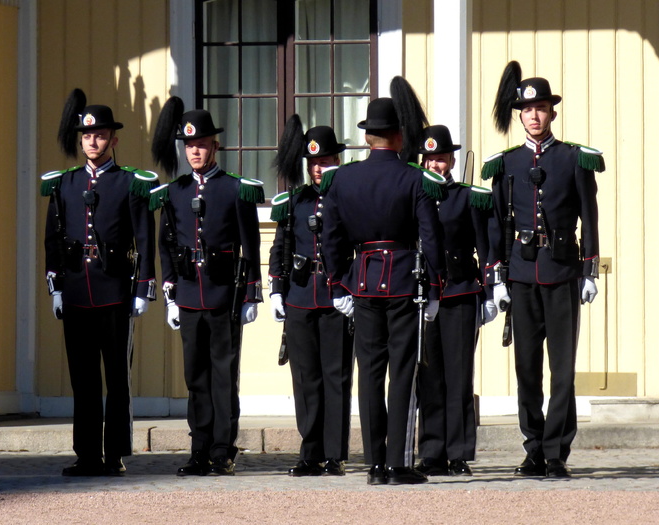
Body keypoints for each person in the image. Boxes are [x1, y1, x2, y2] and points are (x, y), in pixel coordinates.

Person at [321, 78, 447, 486]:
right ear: (398, 135)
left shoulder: (342, 180)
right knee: (402, 372)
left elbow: (331, 238)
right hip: (404, 281)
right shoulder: (415, 179)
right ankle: (397, 462)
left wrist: (340, 281)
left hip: (362, 280)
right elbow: (430, 238)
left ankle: (375, 465)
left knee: (369, 373)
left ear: (368, 136)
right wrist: (434, 287)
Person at [483, 61, 603, 478]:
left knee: (563, 368)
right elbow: (496, 221)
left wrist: (590, 269)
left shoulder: (574, 159)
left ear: (552, 112)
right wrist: (496, 276)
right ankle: (533, 447)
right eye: (527, 109)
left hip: (563, 270)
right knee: (526, 368)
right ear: (520, 114)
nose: (534, 116)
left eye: (542, 108)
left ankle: (556, 452)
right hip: (521, 272)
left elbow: (590, 214)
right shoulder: (507, 164)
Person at [42, 89, 158, 477]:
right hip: (76, 291)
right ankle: (87, 454)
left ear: (113, 139)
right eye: (88, 136)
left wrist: (143, 289)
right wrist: (56, 286)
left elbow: (144, 237)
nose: (94, 141)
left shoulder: (130, 183)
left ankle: (115, 454)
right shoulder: (64, 184)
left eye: (101, 135)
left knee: (117, 380)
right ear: (81, 139)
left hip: (114, 291)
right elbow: (53, 241)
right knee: (84, 380)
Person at [151, 97, 264, 477]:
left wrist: (252, 293)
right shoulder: (175, 192)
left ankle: (221, 450)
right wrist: (169, 292)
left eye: (201, 144)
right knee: (195, 378)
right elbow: (166, 244)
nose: (194, 151)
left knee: (222, 376)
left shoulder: (235, 190)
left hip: (223, 297)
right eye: (189, 146)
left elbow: (250, 244)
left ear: (215, 146)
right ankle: (198, 449)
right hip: (188, 295)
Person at [268, 121, 355, 477]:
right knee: (305, 378)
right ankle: (310, 452)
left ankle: (335, 453)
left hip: (336, 296)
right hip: (301, 296)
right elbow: (279, 247)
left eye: (327, 161)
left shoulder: (348, 199)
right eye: (314, 163)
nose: (319, 168)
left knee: (336, 376)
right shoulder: (294, 202)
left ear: (337, 160)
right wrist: (275, 288)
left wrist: (349, 288)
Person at [415, 125, 497, 478]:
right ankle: (432, 451)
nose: (437, 164)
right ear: (424, 161)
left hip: (461, 292)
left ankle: (459, 452)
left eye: (442, 158)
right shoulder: (412, 194)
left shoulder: (466, 197)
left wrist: (492, 293)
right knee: (428, 377)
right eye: (430, 158)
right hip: (423, 296)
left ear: (451, 159)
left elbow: (486, 245)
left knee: (459, 376)